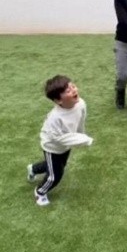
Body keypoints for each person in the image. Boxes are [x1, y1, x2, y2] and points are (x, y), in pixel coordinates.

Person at [26, 75, 90, 207]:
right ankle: (40, 192)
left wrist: (81, 134)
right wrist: (83, 140)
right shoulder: (55, 118)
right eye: (67, 91)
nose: (73, 90)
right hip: (52, 146)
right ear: (58, 100)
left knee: (58, 166)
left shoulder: (81, 104)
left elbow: (81, 121)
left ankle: (33, 169)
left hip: (66, 145)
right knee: (55, 175)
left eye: (72, 86)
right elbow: (60, 139)